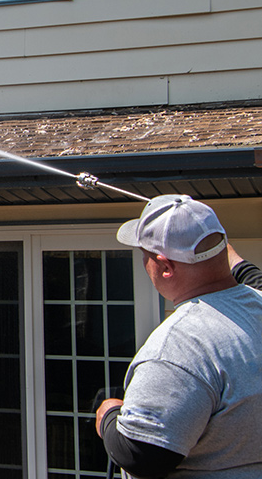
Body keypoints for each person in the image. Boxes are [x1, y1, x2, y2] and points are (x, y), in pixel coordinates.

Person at [95, 194, 262, 478]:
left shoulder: (180, 346)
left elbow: (142, 456)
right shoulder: (256, 302)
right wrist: (213, 241)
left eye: (144, 255)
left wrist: (108, 416)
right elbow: (250, 275)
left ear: (165, 266)